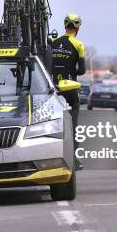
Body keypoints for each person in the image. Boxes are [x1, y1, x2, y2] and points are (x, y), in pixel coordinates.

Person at [50, 14, 86, 171]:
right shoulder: (78, 44)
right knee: (74, 125)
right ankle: (75, 159)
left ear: (65, 26)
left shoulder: (54, 43)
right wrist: (73, 71)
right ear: (77, 28)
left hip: (54, 88)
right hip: (70, 88)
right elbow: (82, 70)